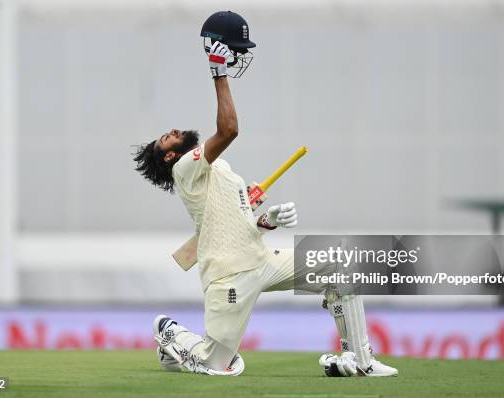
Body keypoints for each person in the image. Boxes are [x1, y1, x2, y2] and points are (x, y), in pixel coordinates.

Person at [133, 11, 397, 377]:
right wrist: (217, 69)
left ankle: (357, 360)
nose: (174, 130)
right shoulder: (184, 169)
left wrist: (264, 220)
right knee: (219, 365)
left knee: (342, 266)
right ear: (169, 155)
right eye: (168, 136)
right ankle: (171, 333)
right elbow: (228, 130)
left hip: (261, 258)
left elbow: (238, 221)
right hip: (229, 276)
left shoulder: (219, 170)